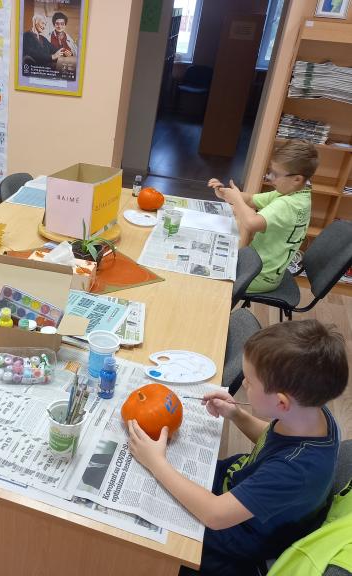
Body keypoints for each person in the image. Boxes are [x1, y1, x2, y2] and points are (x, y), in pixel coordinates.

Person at [127, 320, 348, 576]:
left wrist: (156, 463)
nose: (244, 384)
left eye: (251, 383)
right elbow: (271, 438)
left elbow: (215, 515)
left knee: (140, 540)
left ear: (281, 403)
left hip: (233, 539)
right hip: (233, 484)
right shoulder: (311, 414)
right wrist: (237, 415)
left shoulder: (295, 471)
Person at [208, 139, 317, 293]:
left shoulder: (288, 205)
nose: (270, 178)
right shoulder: (298, 193)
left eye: (276, 174)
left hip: (258, 275)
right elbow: (252, 200)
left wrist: (237, 198)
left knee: (205, 276)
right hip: (261, 268)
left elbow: (251, 222)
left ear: (296, 179)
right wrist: (226, 193)